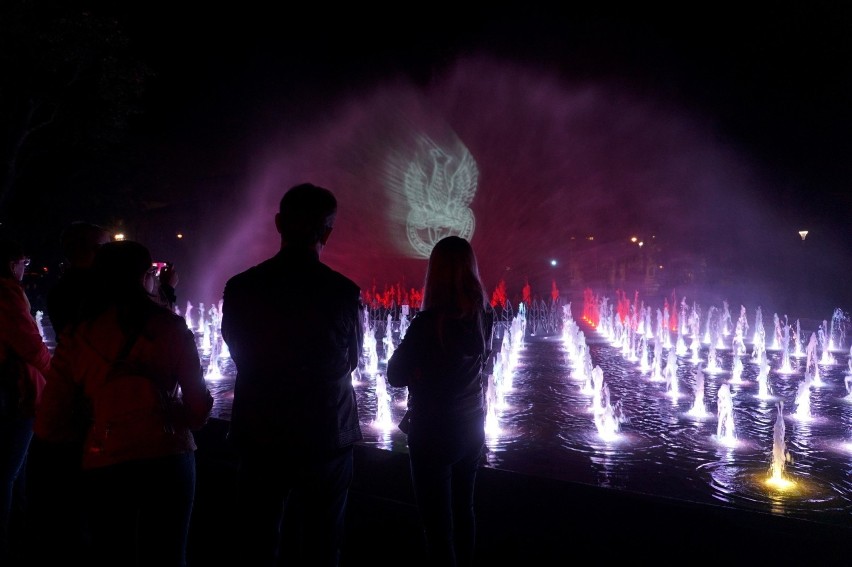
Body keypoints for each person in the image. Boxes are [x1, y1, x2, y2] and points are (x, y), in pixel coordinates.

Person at [35, 240, 213, 567]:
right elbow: (199, 410)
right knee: (169, 555)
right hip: (169, 457)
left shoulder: (78, 337)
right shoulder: (171, 328)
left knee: (112, 555)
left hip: (105, 459)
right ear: (147, 276)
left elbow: (49, 421)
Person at [221, 182, 364, 566]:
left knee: (257, 541)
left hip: (260, 431)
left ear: (279, 223)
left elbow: (237, 351)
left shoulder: (241, 287)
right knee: (321, 543)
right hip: (326, 433)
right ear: (328, 233)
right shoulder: (343, 292)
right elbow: (351, 360)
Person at [386, 235, 494, 567]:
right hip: (472, 425)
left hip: (433, 431)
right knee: (465, 511)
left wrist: (419, 372)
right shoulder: (483, 316)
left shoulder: (427, 324)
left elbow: (394, 375)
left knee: (436, 525)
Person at [26, 220, 109, 563]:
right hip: (98, 397)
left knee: (70, 491)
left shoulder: (60, 290)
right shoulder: (102, 291)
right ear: (93, 249)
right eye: (105, 247)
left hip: (70, 394)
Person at [0, 240, 51, 565]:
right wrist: (58, 374)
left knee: (14, 473)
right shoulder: (6, 291)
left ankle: (17, 539)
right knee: (7, 473)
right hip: (14, 395)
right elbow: (28, 343)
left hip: (12, 393)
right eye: (23, 261)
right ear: (11, 262)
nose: (23, 268)